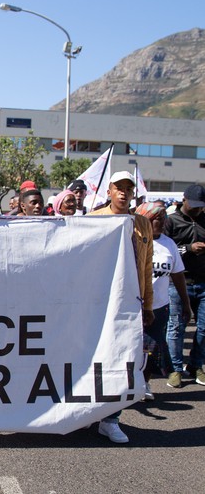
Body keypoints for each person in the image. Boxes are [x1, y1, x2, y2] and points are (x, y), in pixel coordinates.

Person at [90, 171, 154, 444]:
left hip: (130, 303)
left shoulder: (142, 224)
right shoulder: (92, 221)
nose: (123, 192)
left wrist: (148, 304)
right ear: (109, 191)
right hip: (97, 303)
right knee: (94, 358)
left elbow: (147, 267)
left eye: (128, 188)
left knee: (122, 361)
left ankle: (111, 419)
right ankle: (88, 413)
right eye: (119, 187)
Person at [135, 202, 192, 399]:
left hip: (159, 307)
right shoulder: (132, 239)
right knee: (132, 348)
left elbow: (177, 275)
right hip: (133, 306)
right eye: (155, 218)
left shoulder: (169, 244)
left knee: (152, 349)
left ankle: (145, 383)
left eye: (162, 218)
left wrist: (186, 303)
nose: (160, 222)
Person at [164, 184, 205, 387]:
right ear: (184, 199)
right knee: (177, 328)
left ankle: (196, 365)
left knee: (204, 329)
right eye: (194, 205)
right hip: (178, 283)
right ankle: (176, 369)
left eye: (201, 206)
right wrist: (189, 248)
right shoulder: (171, 222)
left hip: (203, 282)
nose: (197, 209)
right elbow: (165, 250)